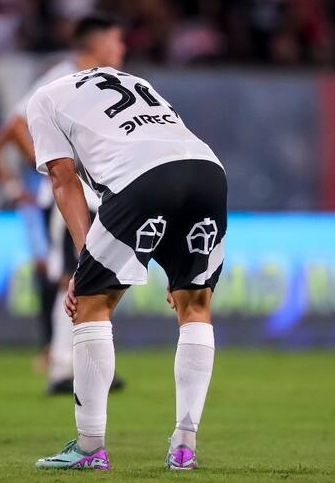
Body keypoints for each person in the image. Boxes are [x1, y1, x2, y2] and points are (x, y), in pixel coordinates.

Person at [28, 66, 226, 470]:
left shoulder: (43, 98)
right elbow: (166, 150)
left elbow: (64, 180)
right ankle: (184, 446)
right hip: (206, 169)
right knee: (195, 303)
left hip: (140, 175)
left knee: (90, 303)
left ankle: (89, 447)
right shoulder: (135, 81)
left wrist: (84, 265)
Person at [0, 14, 126, 394]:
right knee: (74, 277)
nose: (122, 49)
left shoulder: (105, 81)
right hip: (69, 195)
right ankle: (61, 367)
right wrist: (54, 167)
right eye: (116, 41)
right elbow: (16, 123)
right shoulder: (62, 75)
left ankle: (89, 367)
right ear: (96, 45)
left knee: (100, 279)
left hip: (97, 194)